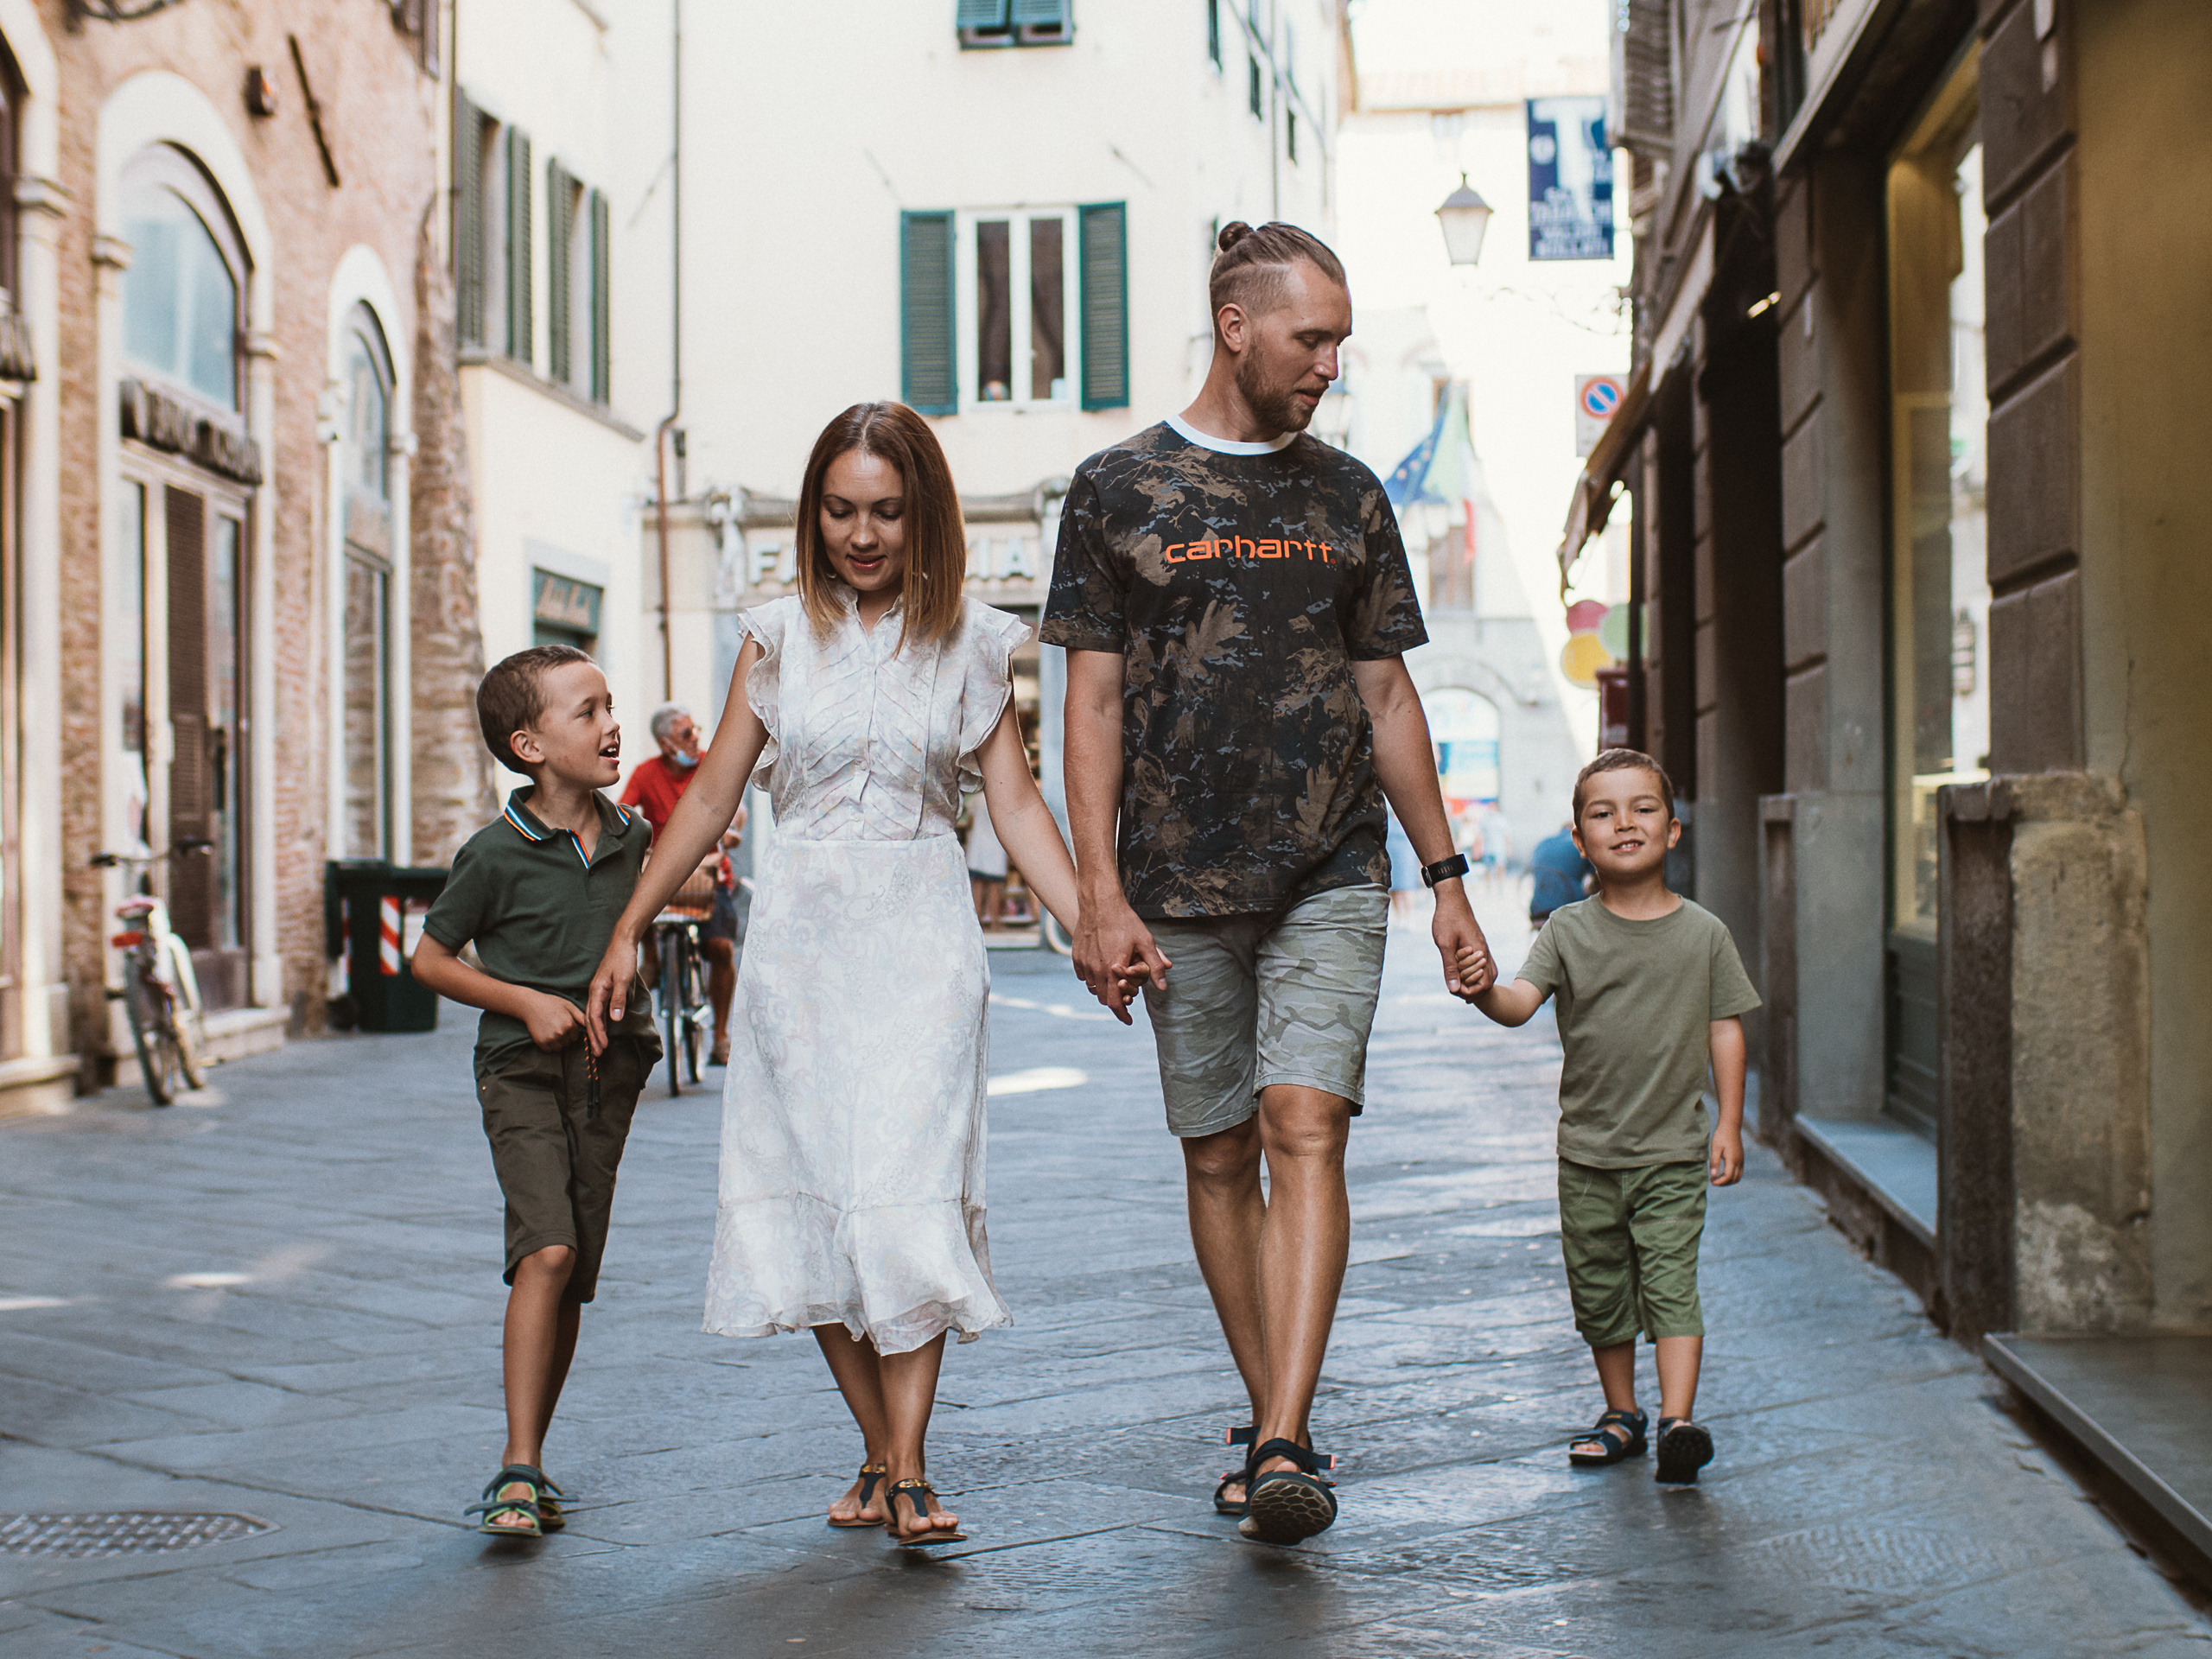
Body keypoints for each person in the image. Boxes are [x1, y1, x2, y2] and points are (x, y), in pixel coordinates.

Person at [1045, 220, 1493, 1546]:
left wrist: (1449, 875)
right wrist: (1098, 895)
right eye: (1313, 339)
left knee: (1307, 1125)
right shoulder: (1115, 488)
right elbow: (1092, 706)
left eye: (1342, 342)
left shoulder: (1350, 495)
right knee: (1219, 1151)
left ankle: (1285, 1436)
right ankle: (1271, 1410)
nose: (1331, 366)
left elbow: (1390, 693)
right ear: (1237, 326)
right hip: (1176, 884)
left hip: (1330, 867)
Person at [582, 402, 1085, 1548]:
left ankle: (904, 1470)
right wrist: (628, 926)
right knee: (817, 1207)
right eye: (842, 510)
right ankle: (888, 1455)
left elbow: (1012, 804)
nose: (863, 534)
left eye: (888, 512)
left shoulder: (969, 637)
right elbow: (711, 794)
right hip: (801, 945)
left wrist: (1091, 924)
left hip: (922, 936)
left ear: (925, 517)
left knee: (906, 1199)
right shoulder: (775, 633)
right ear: (814, 514)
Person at [410, 645, 664, 1537]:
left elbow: (666, 896)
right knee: (545, 1252)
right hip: (518, 1067)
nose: (611, 725)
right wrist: (524, 1001)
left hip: (613, 1068)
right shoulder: (491, 854)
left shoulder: (634, 835)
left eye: (608, 705)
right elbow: (429, 958)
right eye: (587, 711)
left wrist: (702, 876)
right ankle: (515, 1466)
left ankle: (535, 1461)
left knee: (574, 1274)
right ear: (528, 744)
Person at [1459, 747, 1758, 1485]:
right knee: (1598, 1289)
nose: (1625, 823)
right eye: (1603, 812)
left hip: (1672, 1151)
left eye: (1643, 808)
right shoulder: (1566, 930)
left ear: (1674, 830)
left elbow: (1727, 1026)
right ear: (1580, 837)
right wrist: (1484, 986)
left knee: (1670, 1280)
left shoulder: (1704, 933)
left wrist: (1728, 1123)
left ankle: (1677, 1420)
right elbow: (1519, 1006)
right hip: (1587, 1154)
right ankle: (1621, 1412)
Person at [621, 702, 747, 1065]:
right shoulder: (646, 774)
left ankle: (721, 1035)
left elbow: (735, 807)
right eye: (686, 734)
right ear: (665, 744)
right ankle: (654, 959)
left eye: (696, 731)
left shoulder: (710, 763)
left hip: (709, 870)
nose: (695, 740)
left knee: (720, 948)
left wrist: (733, 831)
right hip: (665, 870)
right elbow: (624, 810)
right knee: (633, 883)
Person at [1529, 819, 1593, 926]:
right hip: (1568, 909)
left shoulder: (1542, 843)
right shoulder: (1579, 844)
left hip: (1538, 910)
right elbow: (1599, 876)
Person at [965, 787, 1008, 927]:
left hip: (978, 846)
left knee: (977, 885)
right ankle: (995, 922)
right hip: (995, 846)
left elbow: (969, 822)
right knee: (994, 886)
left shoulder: (975, 800)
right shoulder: (1001, 800)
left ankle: (977, 920)